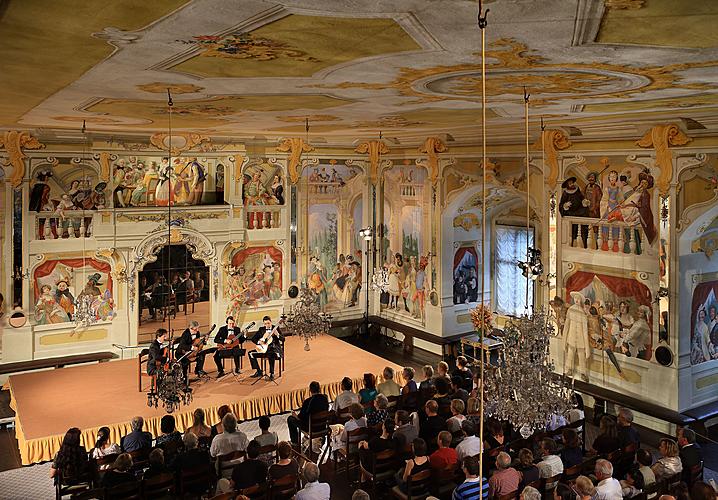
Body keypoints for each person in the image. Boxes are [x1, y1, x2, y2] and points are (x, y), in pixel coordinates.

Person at [287, 380, 330, 445]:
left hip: (311, 427)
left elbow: (301, 418)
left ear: (310, 390)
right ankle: (321, 440)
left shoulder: (308, 401)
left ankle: (295, 442)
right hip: (323, 426)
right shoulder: (325, 398)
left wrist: (295, 416)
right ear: (319, 389)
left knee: (290, 419)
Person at [564, 291, 591, 381]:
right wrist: (564, 341)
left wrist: (587, 348)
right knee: (570, 356)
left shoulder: (582, 313)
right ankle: (569, 370)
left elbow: (585, 330)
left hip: (581, 341)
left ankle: (583, 373)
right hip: (571, 338)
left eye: (578, 298)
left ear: (581, 300)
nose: (577, 300)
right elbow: (566, 326)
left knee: (582, 358)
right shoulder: (570, 310)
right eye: (575, 298)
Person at [248, 315, 285, 380]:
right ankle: (259, 371)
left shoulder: (275, 328)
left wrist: (278, 335)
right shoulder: (261, 329)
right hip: (263, 348)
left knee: (271, 354)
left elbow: (283, 339)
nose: (267, 325)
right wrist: (259, 342)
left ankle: (272, 373)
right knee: (250, 353)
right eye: (265, 324)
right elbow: (253, 339)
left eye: (268, 323)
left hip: (274, 348)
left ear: (271, 322)